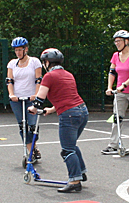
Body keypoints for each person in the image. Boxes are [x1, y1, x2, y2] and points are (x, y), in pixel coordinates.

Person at [28, 48, 88, 193]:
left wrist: (33, 108)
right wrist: (51, 109)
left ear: (47, 63)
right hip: (82, 111)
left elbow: (40, 98)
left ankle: (74, 181)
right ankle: (81, 172)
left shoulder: (49, 76)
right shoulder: (68, 74)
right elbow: (68, 97)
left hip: (69, 115)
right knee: (72, 145)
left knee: (67, 150)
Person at [6, 37, 44, 162]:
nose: (18, 52)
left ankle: (33, 147)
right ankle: (30, 151)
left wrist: (36, 94)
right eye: (16, 50)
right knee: (22, 126)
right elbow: (9, 81)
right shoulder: (12, 63)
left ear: (26, 49)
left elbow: (38, 80)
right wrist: (11, 94)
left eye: (20, 50)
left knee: (32, 126)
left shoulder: (34, 62)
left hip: (31, 98)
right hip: (17, 99)